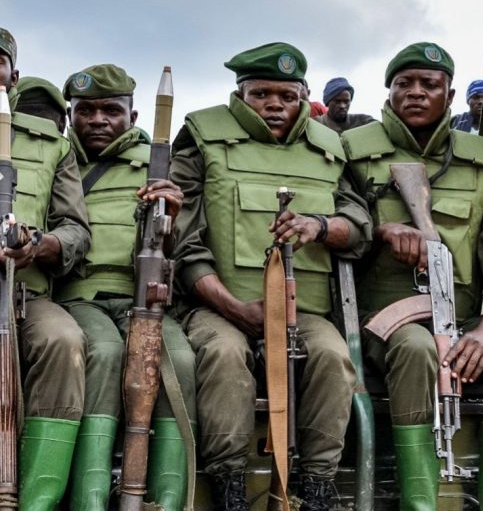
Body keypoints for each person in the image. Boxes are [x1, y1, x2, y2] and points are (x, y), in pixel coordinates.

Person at [341, 43, 483, 509]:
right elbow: (340, 225)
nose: (415, 93)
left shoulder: (481, 158)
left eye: (429, 85)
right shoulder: (354, 150)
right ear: (389, 91)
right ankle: (420, 502)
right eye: (404, 84)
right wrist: (382, 232)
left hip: (462, 317)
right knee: (416, 348)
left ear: (450, 95)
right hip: (384, 322)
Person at [170, 43, 369, 511]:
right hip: (219, 307)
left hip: (305, 312)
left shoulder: (329, 149)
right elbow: (182, 241)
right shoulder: (202, 137)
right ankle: (229, 486)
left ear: (303, 96)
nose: (274, 105)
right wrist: (233, 308)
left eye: (287, 96)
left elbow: (359, 225)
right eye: (261, 94)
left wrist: (319, 226)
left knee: (334, 358)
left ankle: (317, 488)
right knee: (223, 354)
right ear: (240, 95)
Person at [56, 64, 196, 511]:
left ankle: (168, 499)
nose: (98, 120)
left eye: (111, 111)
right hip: (79, 296)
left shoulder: (158, 166)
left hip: (143, 297)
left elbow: (181, 251)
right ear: (70, 115)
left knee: (180, 360)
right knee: (104, 352)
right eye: (86, 110)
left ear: (132, 117)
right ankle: (90, 498)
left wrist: (170, 215)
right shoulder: (58, 160)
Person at [0, 26, 94, 511]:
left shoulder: (51, 145)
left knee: (64, 340)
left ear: (13, 77)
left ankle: (36, 498)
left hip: (26, 295)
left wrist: (36, 244)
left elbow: (75, 229)